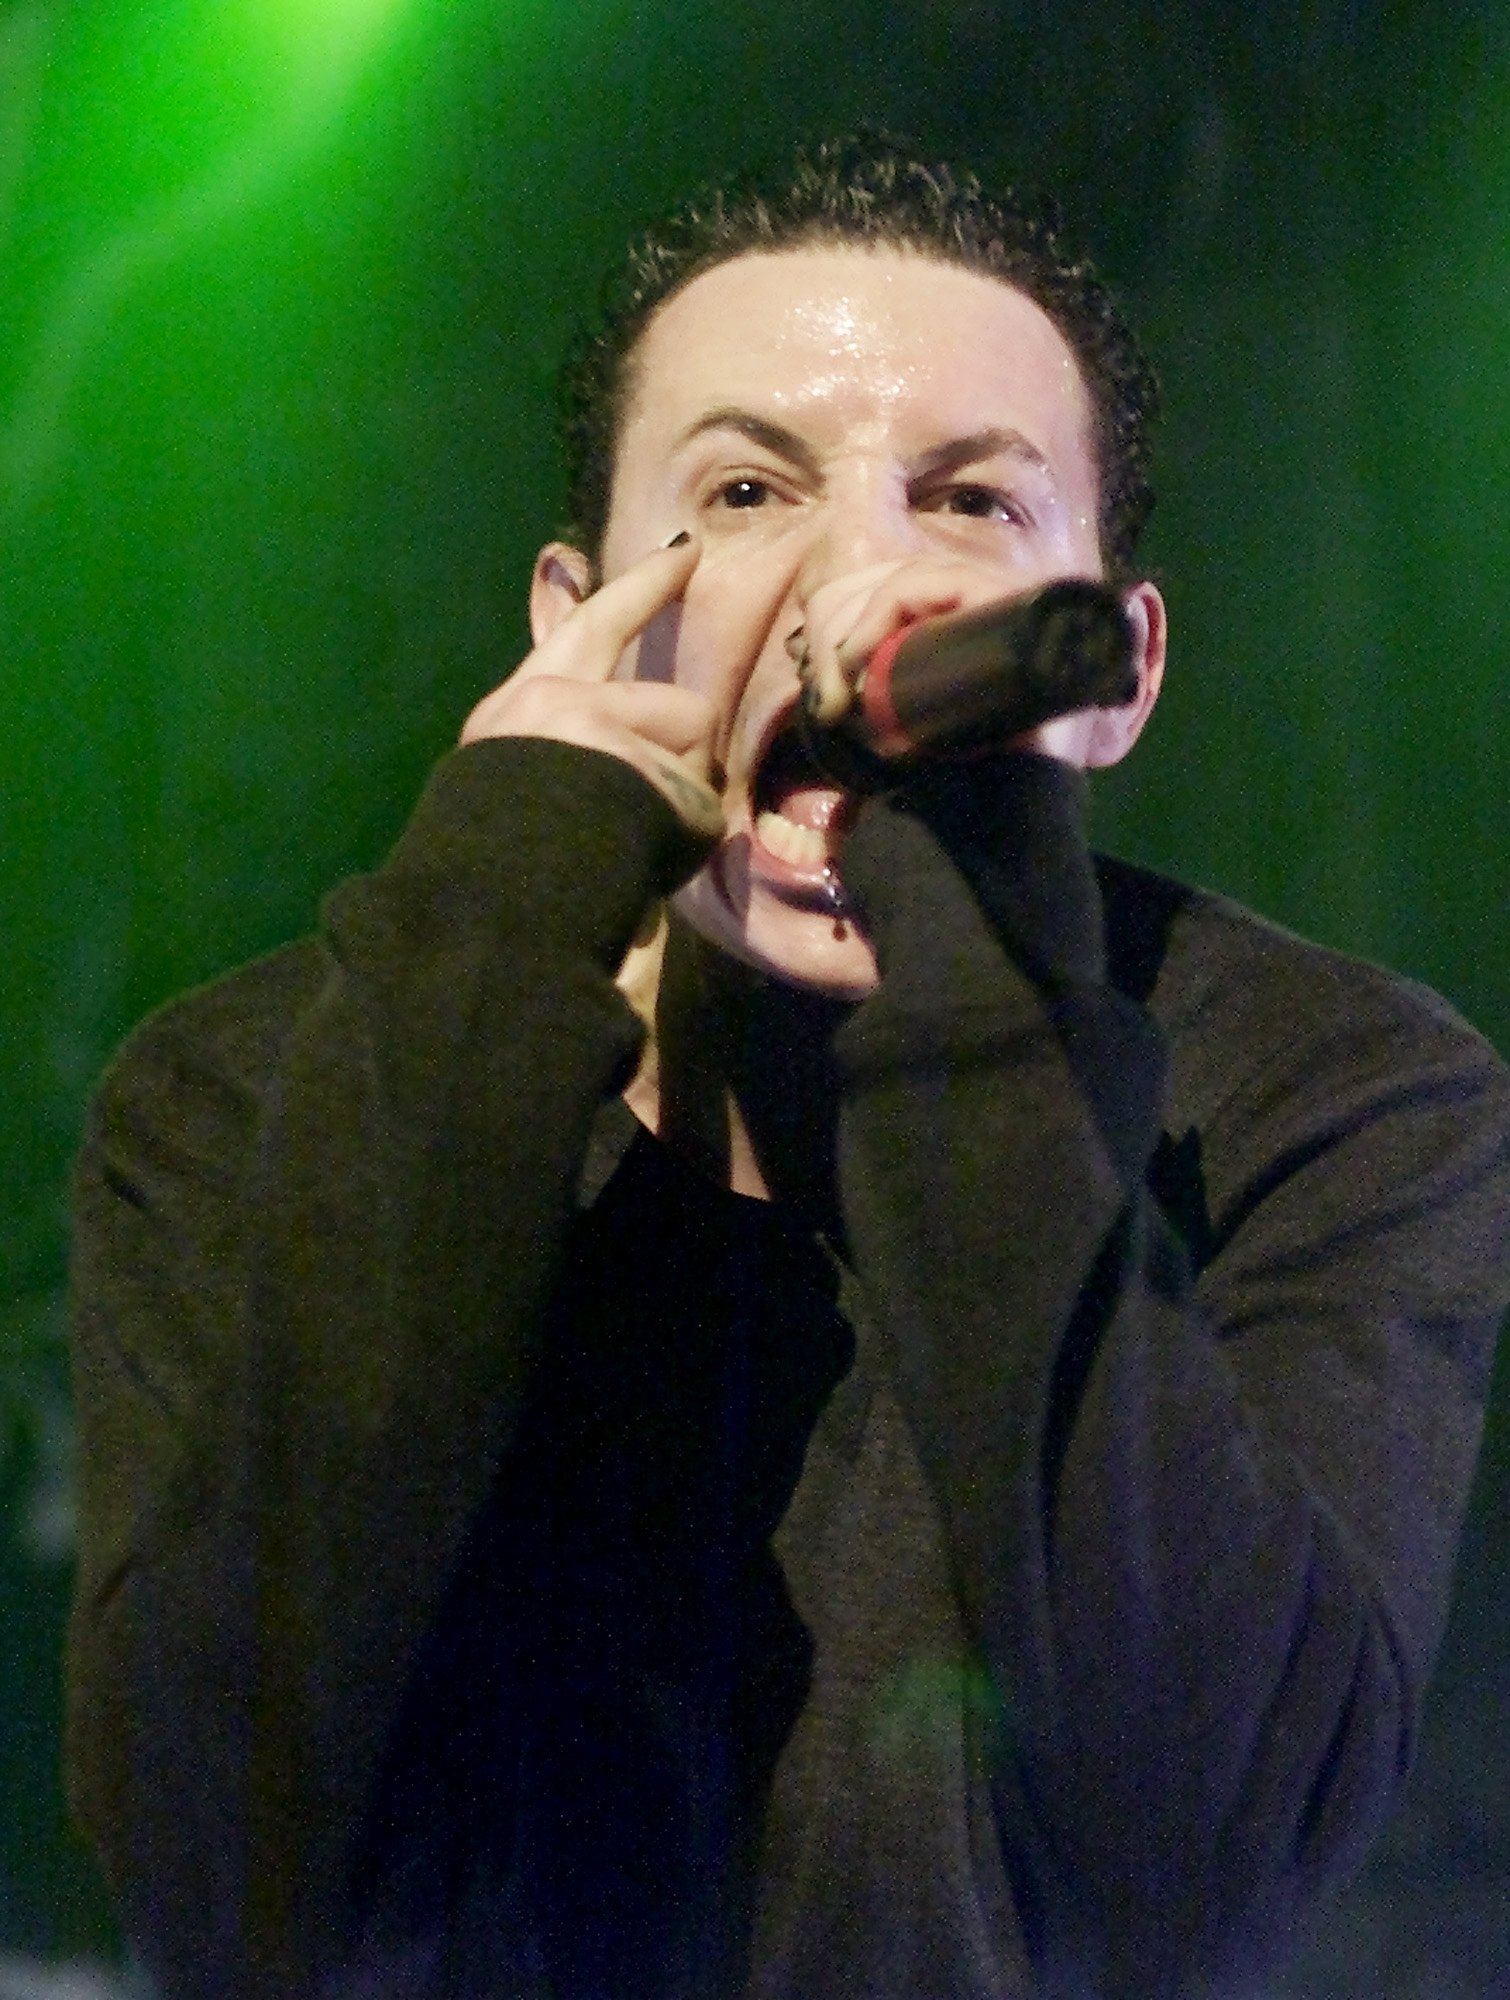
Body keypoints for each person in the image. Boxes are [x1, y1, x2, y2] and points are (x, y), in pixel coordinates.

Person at [66, 136, 1510, 2000]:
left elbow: (1210, 1853)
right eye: (748, 488)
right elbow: (213, 1869)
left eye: (973, 505)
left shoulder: (1331, 1090)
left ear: (1114, 664)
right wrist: (499, 914)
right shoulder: (256, 1089)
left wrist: (973, 915)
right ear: (574, 614)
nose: (861, 580)